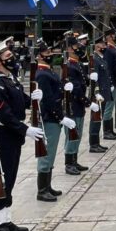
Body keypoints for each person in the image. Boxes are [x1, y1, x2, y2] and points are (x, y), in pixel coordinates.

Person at [0, 37, 45, 231]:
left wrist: (33, 99)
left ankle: (6, 220)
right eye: (8, 55)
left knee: (10, 178)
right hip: (4, 134)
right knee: (2, 179)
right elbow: (5, 114)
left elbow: (19, 102)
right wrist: (25, 129)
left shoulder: (10, 79)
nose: (12, 58)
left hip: (13, 134)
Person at [34, 40, 72, 202]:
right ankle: (42, 190)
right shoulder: (42, 74)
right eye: (47, 53)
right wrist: (60, 117)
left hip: (53, 117)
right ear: (38, 56)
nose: (50, 55)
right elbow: (48, 100)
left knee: (51, 152)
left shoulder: (47, 71)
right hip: (49, 118)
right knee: (46, 154)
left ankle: (47, 186)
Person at [62, 37, 92, 175]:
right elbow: (76, 88)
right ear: (69, 49)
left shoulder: (77, 64)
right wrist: (86, 101)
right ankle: (69, 163)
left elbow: (82, 82)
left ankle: (74, 160)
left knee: (78, 134)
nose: (79, 48)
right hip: (73, 105)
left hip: (78, 105)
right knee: (72, 135)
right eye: (75, 46)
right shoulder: (69, 66)